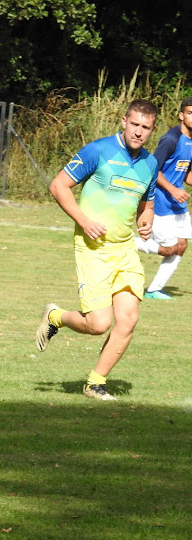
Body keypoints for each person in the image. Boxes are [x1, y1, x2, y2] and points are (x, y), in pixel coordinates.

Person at [35, 99, 159, 401]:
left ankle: (95, 383)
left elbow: (148, 201)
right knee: (98, 324)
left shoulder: (150, 164)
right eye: (135, 125)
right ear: (123, 121)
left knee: (128, 319)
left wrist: (146, 219)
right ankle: (56, 317)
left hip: (125, 250)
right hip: (93, 250)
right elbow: (58, 186)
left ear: (152, 130)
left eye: (146, 128)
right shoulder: (98, 150)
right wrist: (84, 220)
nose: (139, 132)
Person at [135, 97, 192, 299]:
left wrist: (180, 187)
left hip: (177, 203)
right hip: (161, 201)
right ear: (181, 115)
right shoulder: (171, 139)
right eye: (190, 113)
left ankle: (154, 290)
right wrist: (173, 189)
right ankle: (127, 244)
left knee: (182, 245)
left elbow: (185, 173)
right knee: (168, 249)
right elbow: (154, 169)